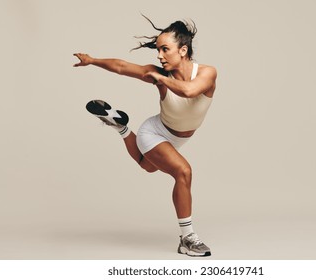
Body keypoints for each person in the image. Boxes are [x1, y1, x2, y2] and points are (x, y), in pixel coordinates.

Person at [73, 16, 216, 257]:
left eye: (165, 49)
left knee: (147, 166)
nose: (159, 55)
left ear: (183, 50)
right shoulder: (158, 74)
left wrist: (160, 78)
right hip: (155, 132)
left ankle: (120, 126)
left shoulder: (207, 73)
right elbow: (121, 66)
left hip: (178, 138)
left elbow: (190, 91)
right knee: (183, 172)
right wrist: (92, 61)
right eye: (158, 49)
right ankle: (188, 238)